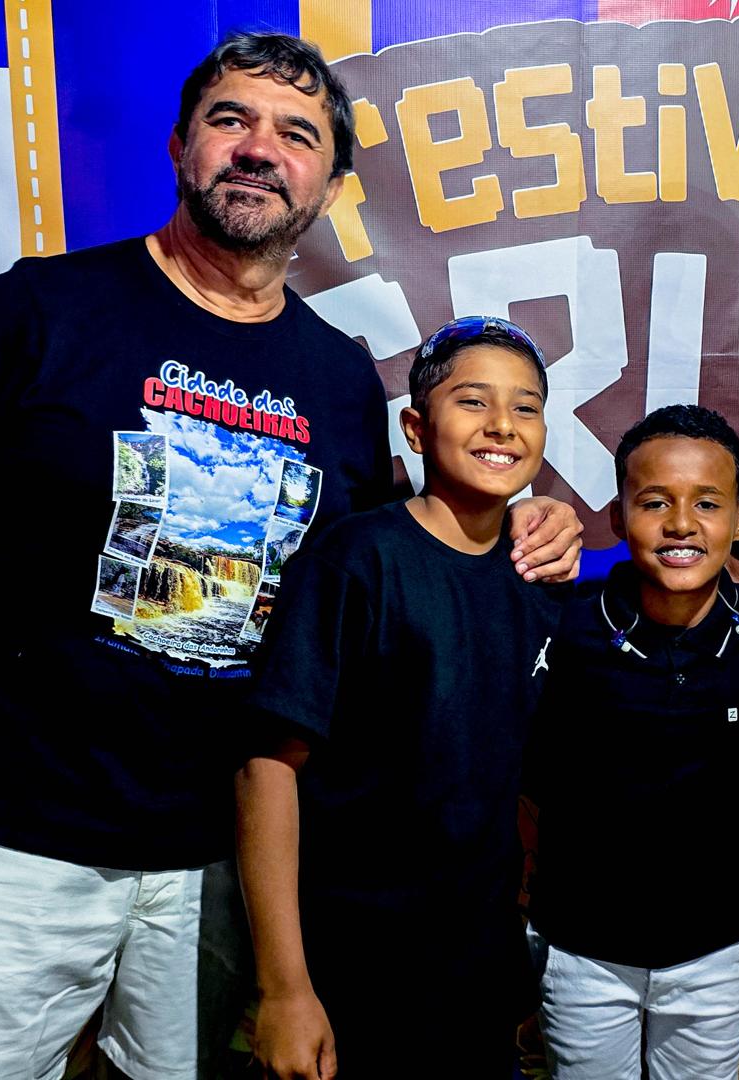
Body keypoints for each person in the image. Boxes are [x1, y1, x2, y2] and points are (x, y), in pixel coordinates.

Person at [0, 33, 581, 1080]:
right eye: (232, 120)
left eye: (298, 135)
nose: (260, 149)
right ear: (181, 145)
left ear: (330, 186)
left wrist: (528, 523)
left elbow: (394, 577)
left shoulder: (339, 381)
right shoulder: (42, 309)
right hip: (15, 843)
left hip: (221, 864)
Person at [237, 317, 567, 1078]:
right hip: (353, 965)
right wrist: (286, 988)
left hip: (477, 970)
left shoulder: (539, 580)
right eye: (473, 401)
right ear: (416, 430)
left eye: (525, 407)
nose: (502, 424)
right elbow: (267, 767)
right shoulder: (357, 559)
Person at [524, 404, 739, 1079]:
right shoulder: (567, 623)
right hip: (582, 952)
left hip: (714, 954)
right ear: (618, 518)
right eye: (654, 502)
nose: (680, 524)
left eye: (707, 503)